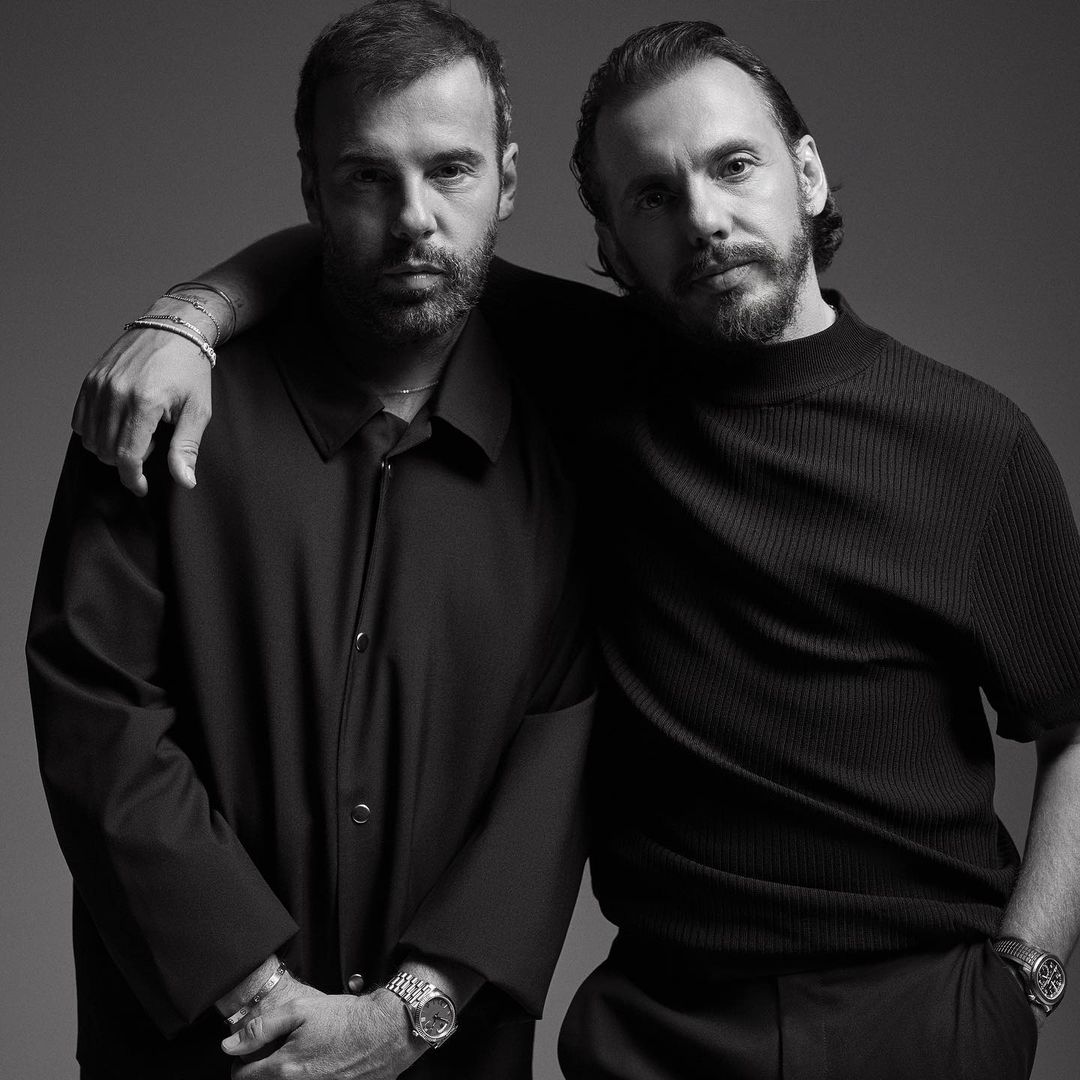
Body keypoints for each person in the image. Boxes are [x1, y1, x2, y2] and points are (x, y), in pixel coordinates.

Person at [70, 18, 1080, 1080]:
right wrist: (187, 318)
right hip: (663, 1023)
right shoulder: (593, 368)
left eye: (734, 165)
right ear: (612, 243)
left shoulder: (973, 441)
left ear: (809, 173)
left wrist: (1028, 976)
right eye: (652, 195)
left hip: (920, 1010)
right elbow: (372, 243)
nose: (705, 219)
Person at [28, 4, 595, 1079]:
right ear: (312, 189)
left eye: (452, 170)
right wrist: (260, 1000)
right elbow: (95, 706)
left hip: (448, 1052)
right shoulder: (164, 402)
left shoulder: (577, 415)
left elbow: (562, 745)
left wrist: (410, 1014)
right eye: (367, 177)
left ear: (508, 180)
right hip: (194, 1051)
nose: (415, 218)